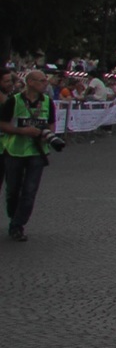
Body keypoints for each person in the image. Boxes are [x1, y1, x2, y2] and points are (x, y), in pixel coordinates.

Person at [1, 70, 57, 241]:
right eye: (41, 80)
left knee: (30, 190)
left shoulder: (48, 102)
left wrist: (46, 135)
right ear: (30, 82)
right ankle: (14, 215)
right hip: (14, 150)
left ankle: (17, 225)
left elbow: (52, 124)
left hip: (37, 151)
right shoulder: (14, 101)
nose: (45, 83)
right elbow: (2, 124)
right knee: (12, 191)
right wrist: (21, 131)